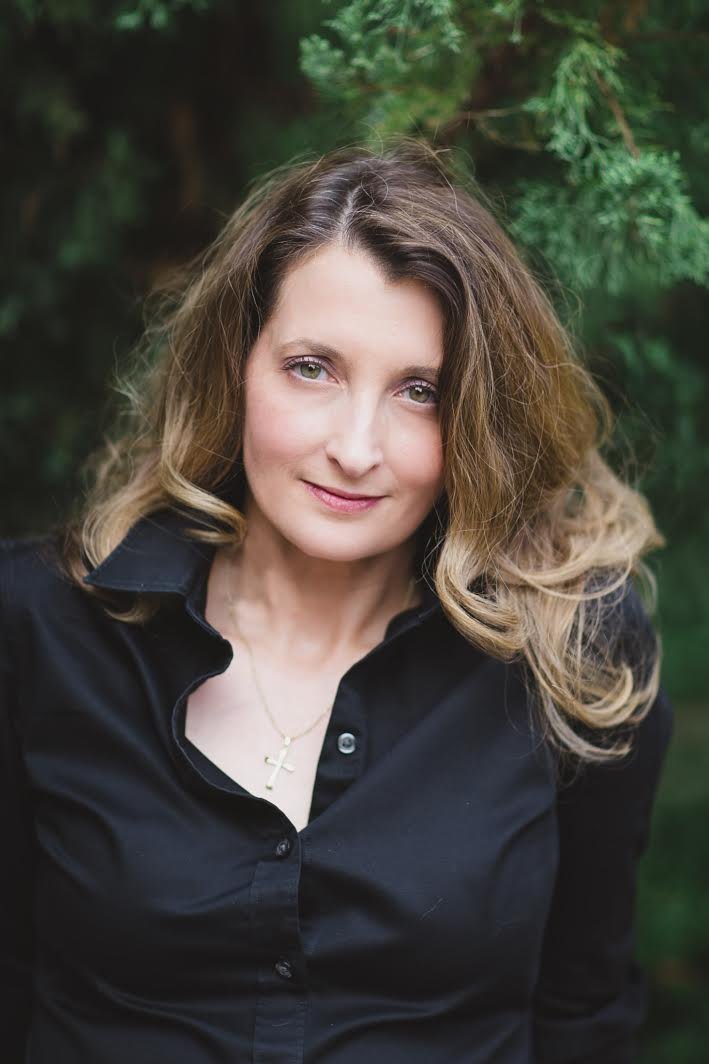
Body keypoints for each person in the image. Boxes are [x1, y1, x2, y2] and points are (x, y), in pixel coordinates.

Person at [1, 136, 674, 1063]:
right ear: (234, 365)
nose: (357, 448)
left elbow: (581, 1018)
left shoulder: (574, 653)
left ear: (479, 415)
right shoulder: (38, 628)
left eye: (420, 392)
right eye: (312, 367)